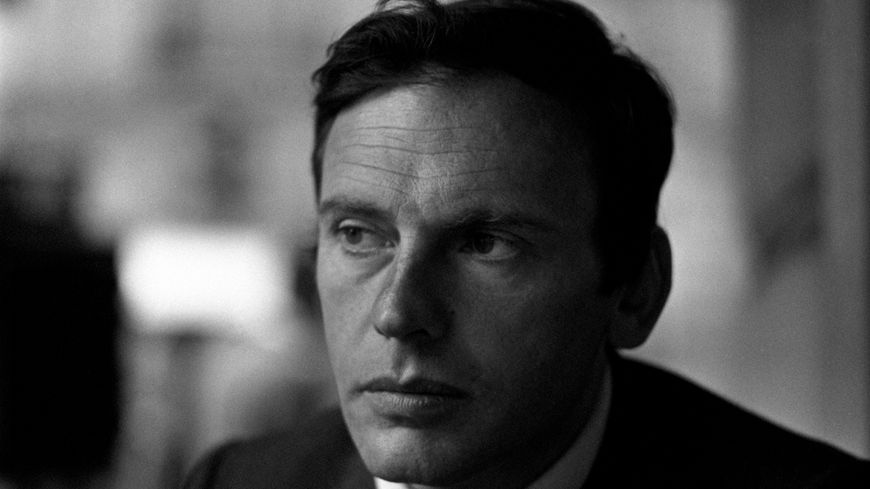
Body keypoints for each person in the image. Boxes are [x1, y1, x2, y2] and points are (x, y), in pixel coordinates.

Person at [183, 0, 869, 487]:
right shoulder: (238, 479)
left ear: (635, 289)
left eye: (484, 243)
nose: (399, 314)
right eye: (359, 235)